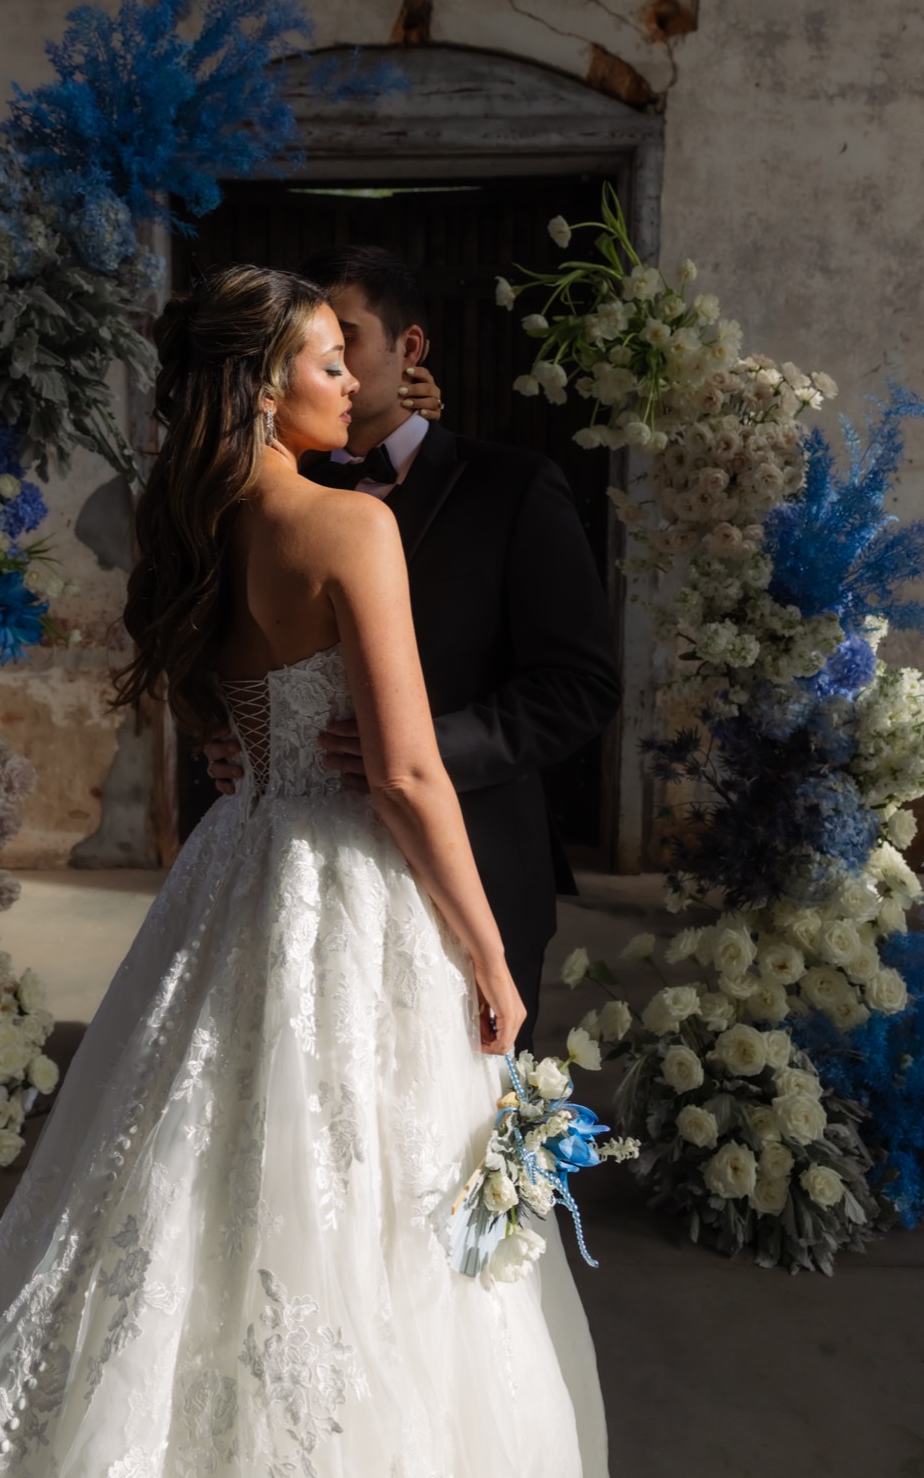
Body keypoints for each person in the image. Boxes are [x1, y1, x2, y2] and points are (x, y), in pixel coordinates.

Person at [0, 265, 606, 1478]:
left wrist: (241, 743)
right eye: (325, 363)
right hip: (351, 887)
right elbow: (407, 778)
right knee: (358, 1194)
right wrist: (486, 955)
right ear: (263, 390)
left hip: (237, 868)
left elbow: (224, 728)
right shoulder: (350, 524)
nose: (352, 381)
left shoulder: (194, 527)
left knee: (192, 1170)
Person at [206, 244, 622, 1050]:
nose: (344, 372)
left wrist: (425, 746)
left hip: (478, 855)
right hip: (299, 877)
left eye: (347, 340)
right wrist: (234, 737)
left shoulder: (511, 487)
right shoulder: (271, 498)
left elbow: (581, 683)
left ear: (411, 350)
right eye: (319, 351)